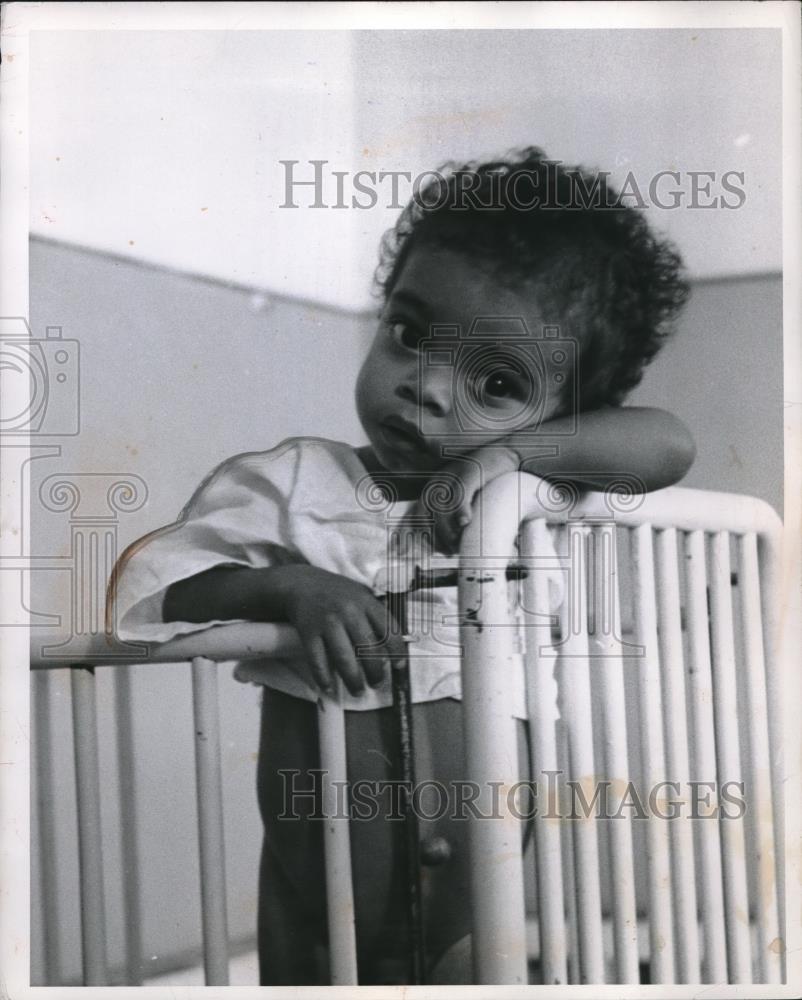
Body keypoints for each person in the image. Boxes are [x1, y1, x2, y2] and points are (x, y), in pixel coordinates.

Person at [111, 148, 695, 985]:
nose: (424, 387)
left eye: (495, 382)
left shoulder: (527, 497)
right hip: (316, 930)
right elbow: (156, 583)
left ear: (571, 416)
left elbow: (670, 443)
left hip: (474, 927)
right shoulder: (299, 485)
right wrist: (289, 587)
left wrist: (512, 457)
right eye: (411, 333)